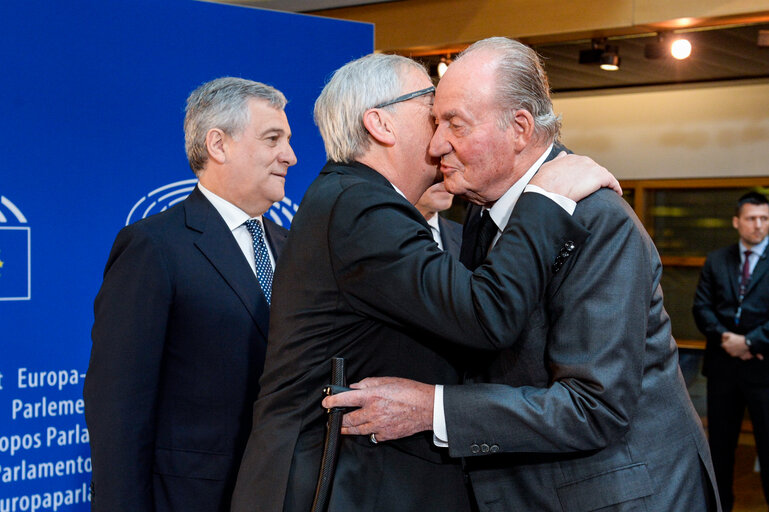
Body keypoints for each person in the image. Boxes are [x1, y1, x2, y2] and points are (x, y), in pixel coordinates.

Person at [325, 38, 720, 511]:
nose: (435, 145)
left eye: (454, 124)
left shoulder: (597, 220)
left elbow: (593, 408)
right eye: (435, 123)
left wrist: (432, 409)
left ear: (519, 128)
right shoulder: (479, 212)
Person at [230, 53, 617, 512]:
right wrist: (547, 198)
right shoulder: (360, 206)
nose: (441, 138)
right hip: (331, 485)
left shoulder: (356, 200)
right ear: (380, 125)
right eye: (432, 114)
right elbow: (485, 314)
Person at [83, 77, 296, 512]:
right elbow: (118, 409)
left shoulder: (292, 246)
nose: (290, 156)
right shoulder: (154, 246)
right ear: (218, 145)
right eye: (273, 139)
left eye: (288, 141)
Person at [694, 191, 769, 511]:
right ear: (737, 222)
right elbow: (701, 308)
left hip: (764, 368)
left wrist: (750, 342)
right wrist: (726, 337)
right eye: (752, 218)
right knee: (720, 449)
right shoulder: (717, 259)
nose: (759, 225)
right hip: (723, 367)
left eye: (765, 219)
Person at [415, 181, 462, 256]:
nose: (445, 181)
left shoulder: (465, 236)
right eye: (437, 172)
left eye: (451, 172)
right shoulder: (391, 232)